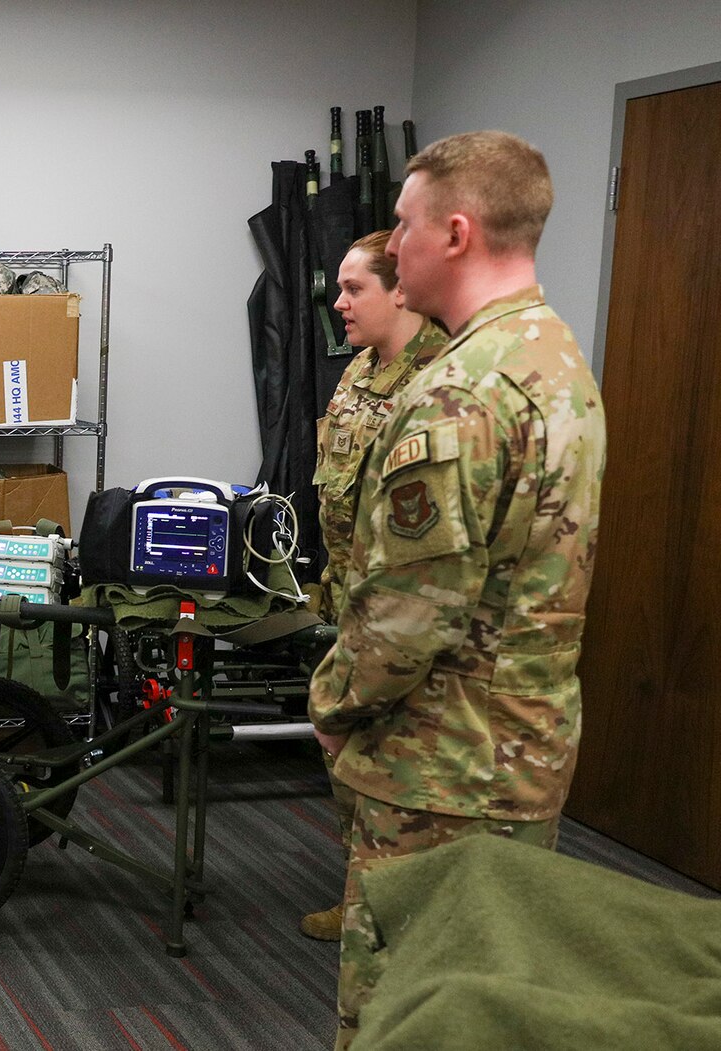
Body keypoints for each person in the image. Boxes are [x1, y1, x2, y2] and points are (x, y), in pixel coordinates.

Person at [307, 132, 606, 1049]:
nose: (391, 247)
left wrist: (331, 700)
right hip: (525, 745)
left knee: (405, 1010)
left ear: (458, 233)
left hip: (440, 766)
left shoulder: (461, 394)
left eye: (403, 225)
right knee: (486, 1003)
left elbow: (406, 619)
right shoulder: (555, 360)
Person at [297, 231, 449, 942]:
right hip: (350, 604)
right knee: (350, 767)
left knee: (403, 782)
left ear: (400, 290)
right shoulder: (358, 371)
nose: (339, 301)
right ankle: (364, 897)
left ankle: (405, 919)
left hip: (406, 620)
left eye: (354, 288)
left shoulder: (439, 383)